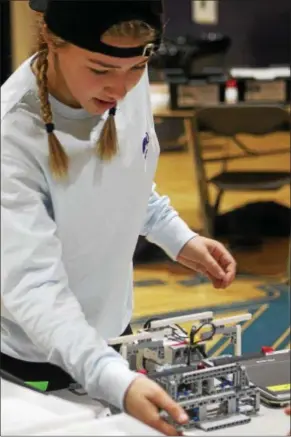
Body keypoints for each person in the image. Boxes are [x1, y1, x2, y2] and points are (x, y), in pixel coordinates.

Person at [1, 1, 236, 435]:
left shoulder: (127, 74)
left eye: (137, 66)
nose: (121, 88)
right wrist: (114, 380)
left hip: (112, 342)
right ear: (53, 42)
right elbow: (33, 285)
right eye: (100, 68)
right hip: (35, 361)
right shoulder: (11, 135)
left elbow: (128, 178)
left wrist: (178, 237)